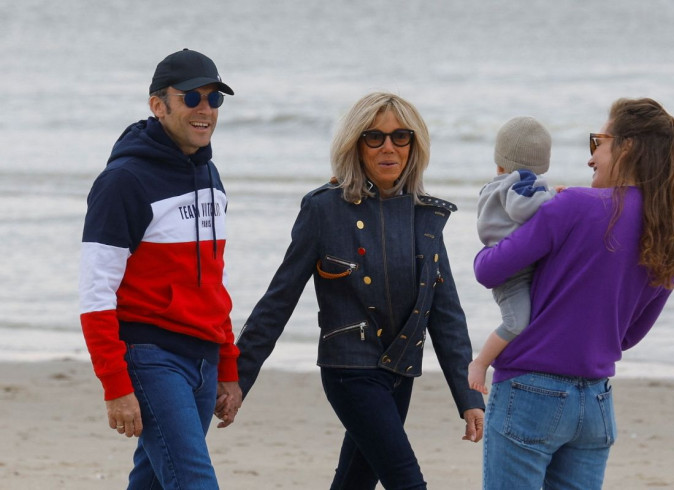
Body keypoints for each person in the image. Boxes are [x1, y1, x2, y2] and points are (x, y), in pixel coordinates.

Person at [235, 92, 485, 489]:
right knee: (406, 481)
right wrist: (238, 376)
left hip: (401, 369)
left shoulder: (427, 215)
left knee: (355, 482)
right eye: (375, 137)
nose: (389, 147)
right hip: (349, 368)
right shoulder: (324, 209)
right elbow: (279, 299)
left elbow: (446, 312)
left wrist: (468, 396)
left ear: (413, 146)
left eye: (400, 137)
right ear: (356, 144)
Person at [473, 97, 674, 489]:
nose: (591, 158)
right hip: (595, 403)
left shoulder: (573, 204)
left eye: (599, 142)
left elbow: (489, 270)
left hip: (529, 390)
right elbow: (627, 335)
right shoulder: (669, 232)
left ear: (626, 146)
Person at [79, 48, 242, 489]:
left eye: (214, 99)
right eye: (191, 98)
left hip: (204, 359)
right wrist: (115, 385)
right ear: (158, 105)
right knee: (194, 482)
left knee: (152, 481)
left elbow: (214, 282)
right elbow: (96, 293)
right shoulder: (123, 182)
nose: (205, 109)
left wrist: (227, 366)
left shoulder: (211, 178)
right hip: (151, 357)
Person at [468, 116, 557, 395]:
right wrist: (555, 197)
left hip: (510, 264)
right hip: (512, 273)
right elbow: (523, 209)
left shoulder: (495, 184)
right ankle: (481, 362)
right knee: (516, 322)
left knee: (530, 320)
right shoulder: (520, 181)